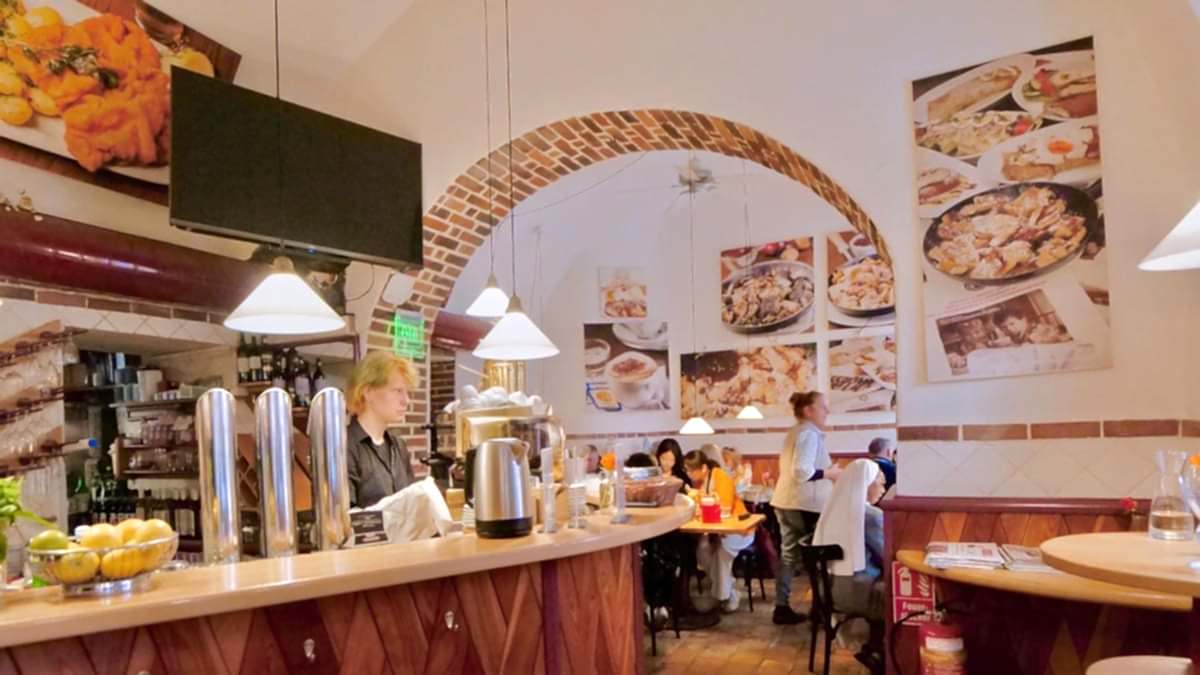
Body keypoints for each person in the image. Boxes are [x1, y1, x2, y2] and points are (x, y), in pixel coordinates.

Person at [770, 390, 842, 625]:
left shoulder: (796, 431)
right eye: (823, 407)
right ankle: (819, 609)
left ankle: (781, 606)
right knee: (817, 558)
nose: (827, 411)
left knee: (788, 555)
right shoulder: (809, 434)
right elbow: (801, 471)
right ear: (808, 411)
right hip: (804, 505)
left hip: (785, 501)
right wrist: (829, 473)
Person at [812, 459, 887, 673]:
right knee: (893, 596)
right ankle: (877, 651)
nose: (883, 490)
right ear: (865, 483)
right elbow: (886, 556)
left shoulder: (832, 509)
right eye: (880, 483)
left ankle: (873, 648)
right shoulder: (870, 516)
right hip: (854, 593)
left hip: (826, 591)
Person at [683, 450, 754, 612]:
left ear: (703, 468)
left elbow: (725, 508)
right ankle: (728, 591)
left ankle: (725, 595)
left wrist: (700, 501)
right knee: (702, 550)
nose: (688, 474)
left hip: (738, 529)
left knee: (721, 555)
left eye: (690, 470)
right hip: (717, 531)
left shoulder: (721, 477)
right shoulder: (704, 482)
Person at [345, 352, 418, 508]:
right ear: (367, 392)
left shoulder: (399, 446)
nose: (406, 400)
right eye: (397, 391)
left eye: (407, 392)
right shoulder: (344, 446)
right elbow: (346, 515)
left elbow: (412, 505)